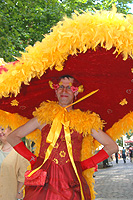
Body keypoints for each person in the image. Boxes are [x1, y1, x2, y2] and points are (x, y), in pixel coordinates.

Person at [7, 75, 118, 200]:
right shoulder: (43, 118)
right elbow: (12, 137)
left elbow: (112, 146)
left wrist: (85, 165)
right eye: (60, 86)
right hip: (43, 183)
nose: (64, 91)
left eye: (69, 88)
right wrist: (33, 159)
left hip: (71, 184)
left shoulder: (84, 121)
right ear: (55, 91)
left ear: (76, 93)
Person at [0, 126, 29, 200]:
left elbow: (23, 177)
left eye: (2, 129)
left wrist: (19, 193)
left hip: (9, 195)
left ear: (12, 129)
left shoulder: (21, 152)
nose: (0, 132)